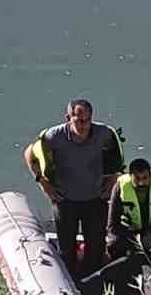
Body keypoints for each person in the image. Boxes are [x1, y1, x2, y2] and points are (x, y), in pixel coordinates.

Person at [24, 99, 124, 281]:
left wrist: (111, 181)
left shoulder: (103, 133)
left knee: (96, 247)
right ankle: (69, 284)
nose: (84, 126)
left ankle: (93, 284)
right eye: (79, 120)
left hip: (95, 199)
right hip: (65, 201)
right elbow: (30, 153)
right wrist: (43, 183)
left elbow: (116, 158)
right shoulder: (54, 136)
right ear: (68, 118)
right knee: (67, 249)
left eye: (87, 120)